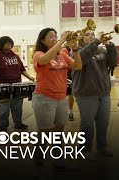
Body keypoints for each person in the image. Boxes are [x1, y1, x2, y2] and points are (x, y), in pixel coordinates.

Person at [32, 28, 82, 166]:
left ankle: (57, 156)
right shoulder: (38, 54)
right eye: (50, 37)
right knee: (45, 131)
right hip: (44, 97)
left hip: (61, 97)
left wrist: (76, 49)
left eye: (56, 36)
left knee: (59, 129)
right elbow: (45, 59)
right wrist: (61, 41)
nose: (54, 38)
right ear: (42, 40)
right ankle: (39, 154)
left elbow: (78, 66)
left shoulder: (63, 55)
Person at [72, 28, 118, 159]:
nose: (91, 36)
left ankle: (102, 147)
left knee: (104, 122)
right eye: (87, 35)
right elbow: (83, 57)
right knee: (87, 123)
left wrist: (110, 45)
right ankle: (84, 150)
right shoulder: (75, 52)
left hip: (103, 92)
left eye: (93, 35)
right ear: (81, 38)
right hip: (86, 93)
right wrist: (97, 41)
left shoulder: (101, 50)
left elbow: (113, 61)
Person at [0, 36, 34, 132]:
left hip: (17, 85)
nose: (9, 45)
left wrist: (30, 77)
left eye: (10, 43)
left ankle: (18, 124)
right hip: (3, 86)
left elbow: (21, 69)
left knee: (17, 107)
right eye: (7, 43)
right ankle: (3, 127)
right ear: (1, 45)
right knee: (4, 109)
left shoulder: (15, 56)